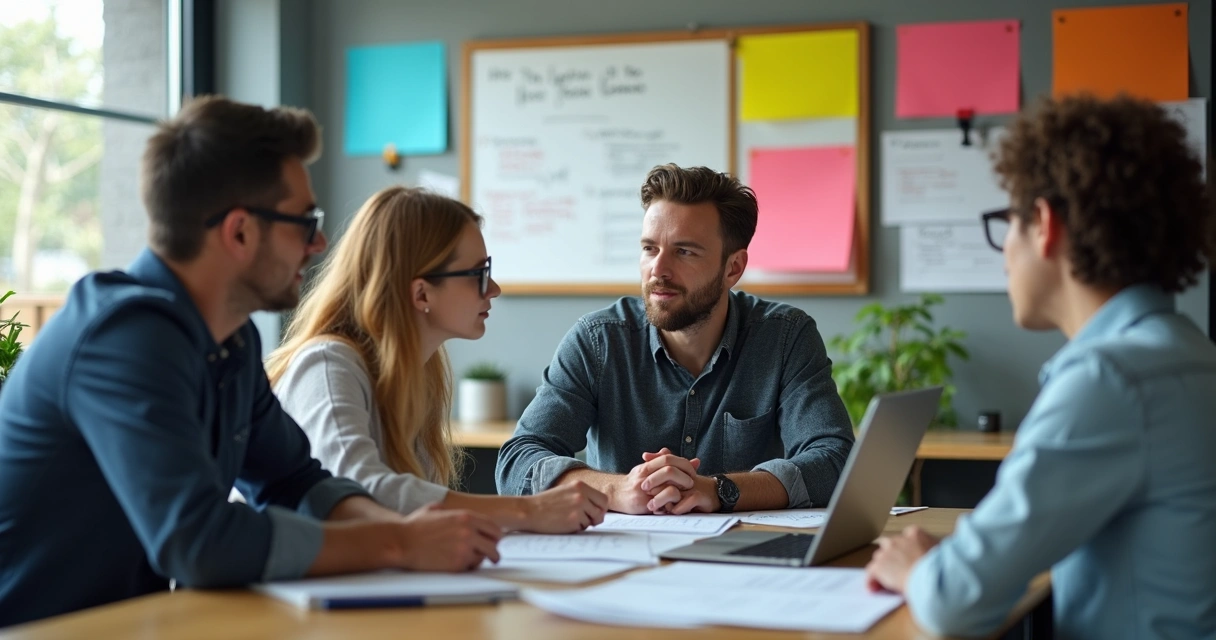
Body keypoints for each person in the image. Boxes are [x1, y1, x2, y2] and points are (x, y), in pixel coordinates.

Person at [0, 96, 503, 628]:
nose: (320, 243)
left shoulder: (231, 339)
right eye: (304, 221)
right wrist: (397, 543)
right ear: (239, 231)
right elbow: (198, 540)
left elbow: (296, 480)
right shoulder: (124, 337)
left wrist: (409, 534)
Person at [865, 94, 1216, 639]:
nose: (1004, 249)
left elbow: (957, 603)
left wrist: (915, 569)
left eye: (1007, 221)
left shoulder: (1110, 380)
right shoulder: (1190, 353)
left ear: (1045, 224)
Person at [495, 164, 854, 515]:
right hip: (621, 560)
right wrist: (618, 489)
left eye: (684, 252)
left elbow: (833, 459)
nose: (658, 270)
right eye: (650, 248)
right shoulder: (598, 341)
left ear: (733, 268)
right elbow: (517, 461)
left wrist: (719, 490)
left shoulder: (784, 337)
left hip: (744, 559)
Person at [266, 186, 608, 533]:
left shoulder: (420, 372)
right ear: (421, 293)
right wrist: (525, 511)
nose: (493, 289)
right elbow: (359, 492)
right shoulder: (327, 364)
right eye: (479, 274)